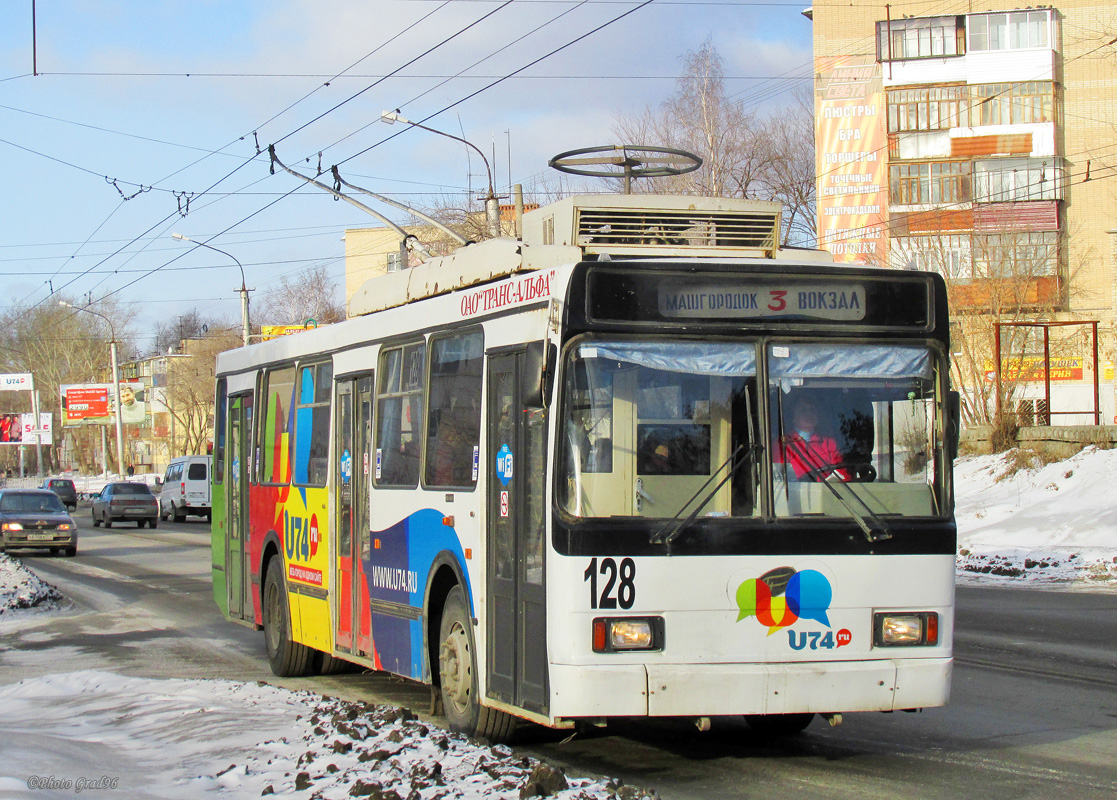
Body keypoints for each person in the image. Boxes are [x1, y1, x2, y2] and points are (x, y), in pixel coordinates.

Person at [774, 395, 849, 481]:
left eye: (812, 410)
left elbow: (843, 475)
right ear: (793, 418)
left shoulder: (829, 442)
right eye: (803, 410)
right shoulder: (782, 444)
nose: (809, 414)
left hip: (829, 493)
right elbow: (778, 479)